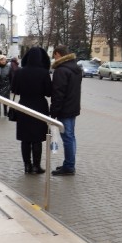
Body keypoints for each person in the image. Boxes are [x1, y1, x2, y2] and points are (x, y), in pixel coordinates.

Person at [11, 47, 52, 174]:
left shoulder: (19, 72)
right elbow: (49, 92)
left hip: (23, 106)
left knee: (25, 139)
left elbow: (15, 90)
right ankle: (36, 166)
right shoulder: (44, 73)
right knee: (37, 139)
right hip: (39, 107)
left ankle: (27, 166)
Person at [50, 45, 82, 176]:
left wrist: (53, 112)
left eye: (54, 54)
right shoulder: (76, 68)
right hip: (73, 107)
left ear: (58, 54)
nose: (53, 57)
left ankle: (69, 166)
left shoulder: (61, 70)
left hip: (64, 109)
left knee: (67, 137)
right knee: (71, 137)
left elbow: (58, 94)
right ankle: (69, 163)